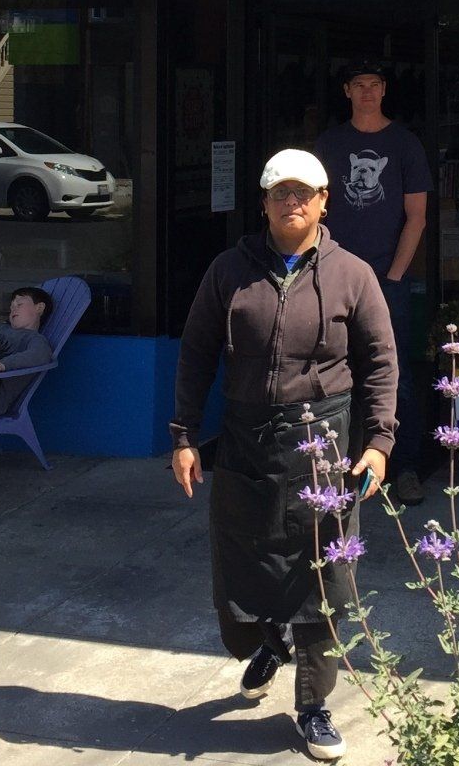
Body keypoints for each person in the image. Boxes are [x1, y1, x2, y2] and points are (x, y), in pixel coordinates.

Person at [171, 149, 397, 762]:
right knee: (242, 564)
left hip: (324, 441)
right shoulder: (228, 271)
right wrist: (185, 435)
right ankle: (269, 640)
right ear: (264, 202)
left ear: (325, 200)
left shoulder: (353, 274)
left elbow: (379, 362)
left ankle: (313, 706)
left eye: (305, 192)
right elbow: (195, 353)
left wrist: (379, 442)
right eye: (280, 192)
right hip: (246, 439)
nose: (292, 202)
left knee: (323, 573)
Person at [315, 61, 431, 504]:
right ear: (347, 91)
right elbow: (313, 208)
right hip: (333, 277)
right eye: (359, 85)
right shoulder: (329, 143)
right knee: (331, 370)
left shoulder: (403, 144)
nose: (367, 92)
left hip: (388, 279)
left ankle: (404, 469)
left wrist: (395, 274)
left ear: (385, 91)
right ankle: (336, 466)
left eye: (375, 85)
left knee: (394, 374)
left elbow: (416, 216)